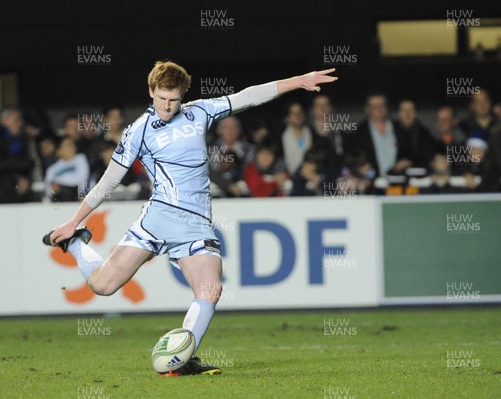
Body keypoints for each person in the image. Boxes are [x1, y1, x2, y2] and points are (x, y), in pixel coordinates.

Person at [43, 61, 338, 376]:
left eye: (173, 99)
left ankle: (182, 360)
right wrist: (74, 221)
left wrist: (298, 80)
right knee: (102, 286)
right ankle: (76, 244)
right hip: (157, 217)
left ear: (182, 95)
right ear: (150, 91)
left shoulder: (200, 111)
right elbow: (108, 181)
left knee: (210, 288)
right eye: (161, 98)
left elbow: (248, 96)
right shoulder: (138, 131)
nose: (167, 106)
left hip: (196, 224)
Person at [344, 93, 410, 177]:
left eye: (382, 105)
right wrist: (360, 168)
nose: (379, 109)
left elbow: (410, 154)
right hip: (371, 185)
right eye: (374, 106)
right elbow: (352, 160)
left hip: (398, 182)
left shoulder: (400, 129)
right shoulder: (357, 133)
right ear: (367, 109)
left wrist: (406, 162)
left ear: (387, 107)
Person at [44, 137, 90, 202]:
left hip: (77, 196)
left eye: (73, 145)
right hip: (59, 200)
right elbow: (49, 191)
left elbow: (81, 180)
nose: (74, 148)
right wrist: (56, 188)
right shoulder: (51, 170)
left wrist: (60, 183)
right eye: (69, 146)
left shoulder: (80, 159)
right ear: (59, 151)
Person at [394, 99, 436, 169]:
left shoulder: (425, 133)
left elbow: (429, 159)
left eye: (411, 110)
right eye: (404, 110)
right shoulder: (390, 131)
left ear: (416, 113)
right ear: (398, 113)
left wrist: (411, 164)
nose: (407, 113)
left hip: (419, 175)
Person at [281, 102, 312, 174]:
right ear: (287, 118)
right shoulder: (282, 137)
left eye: (300, 112)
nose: (298, 116)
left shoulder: (311, 132)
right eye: (294, 113)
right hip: (291, 178)